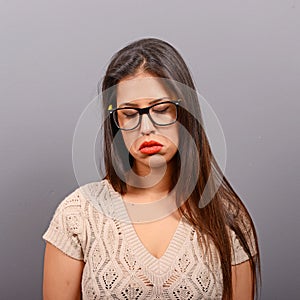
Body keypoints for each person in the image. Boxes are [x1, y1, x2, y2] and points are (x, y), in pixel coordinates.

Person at [43, 38, 261, 300]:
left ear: (184, 112)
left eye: (161, 109)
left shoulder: (227, 217)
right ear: (116, 122)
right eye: (130, 113)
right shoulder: (78, 215)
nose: (146, 128)